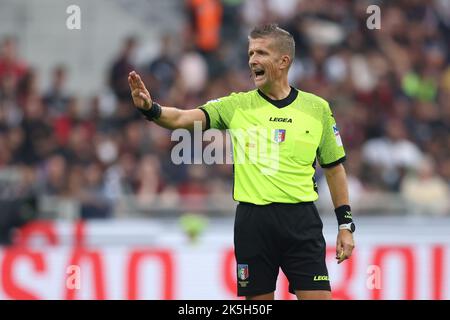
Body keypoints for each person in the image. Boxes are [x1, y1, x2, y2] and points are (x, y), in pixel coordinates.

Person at [128, 24, 355, 300]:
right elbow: (181, 119)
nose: (252, 60)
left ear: (283, 61)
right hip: (253, 222)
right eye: (250, 53)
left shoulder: (316, 108)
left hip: (301, 221)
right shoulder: (236, 106)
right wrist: (151, 109)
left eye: (261, 53)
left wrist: (345, 225)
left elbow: (334, 168)